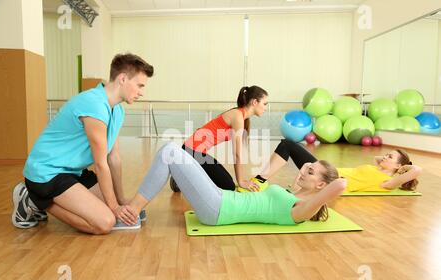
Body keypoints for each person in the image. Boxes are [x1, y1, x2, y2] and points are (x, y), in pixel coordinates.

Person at [11, 53, 154, 234]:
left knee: (108, 202)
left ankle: (42, 200)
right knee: (105, 222)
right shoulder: (93, 104)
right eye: (140, 85)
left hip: (71, 172)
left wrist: (120, 201)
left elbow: (114, 158)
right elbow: (100, 164)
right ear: (123, 79)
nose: (142, 92)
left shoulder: (117, 110)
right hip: (47, 172)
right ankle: (33, 199)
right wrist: (114, 208)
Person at [128, 142, 345, 226]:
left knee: (170, 152)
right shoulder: (294, 194)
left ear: (320, 186)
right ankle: (136, 210)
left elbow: (339, 186)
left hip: (218, 208)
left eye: (310, 172)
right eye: (306, 167)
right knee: (172, 151)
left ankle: (133, 213)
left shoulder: (301, 210)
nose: (303, 169)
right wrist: (306, 172)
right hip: (221, 198)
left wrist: (328, 188)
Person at [170, 85, 269, 192]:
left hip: (192, 150)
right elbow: (237, 154)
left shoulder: (240, 115)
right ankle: (182, 175)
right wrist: (241, 181)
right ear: (254, 102)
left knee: (226, 182)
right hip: (192, 151)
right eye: (264, 104)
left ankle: (185, 172)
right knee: (228, 186)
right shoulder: (238, 117)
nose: (265, 108)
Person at [238, 139, 421, 193]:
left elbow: (418, 170)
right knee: (287, 145)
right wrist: (390, 160)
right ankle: (261, 179)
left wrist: (405, 169)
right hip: (328, 169)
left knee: (287, 145)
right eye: (388, 154)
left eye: (391, 157)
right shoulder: (378, 168)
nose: (385, 157)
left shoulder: (387, 181)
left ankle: (260, 180)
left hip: (329, 177)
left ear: (398, 167)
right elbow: (376, 158)